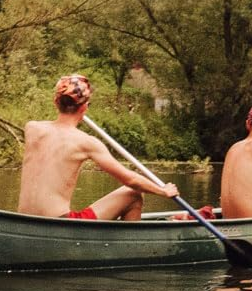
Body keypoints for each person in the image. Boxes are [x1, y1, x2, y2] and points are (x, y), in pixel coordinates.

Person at [17, 73, 179, 220]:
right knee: (134, 194)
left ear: (56, 102)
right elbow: (130, 180)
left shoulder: (32, 128)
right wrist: (163, 190)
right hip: (61, 223)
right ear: (84, 107)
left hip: (23, 222)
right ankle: (127, 247)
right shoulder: (86, 142)